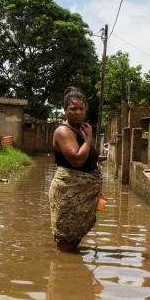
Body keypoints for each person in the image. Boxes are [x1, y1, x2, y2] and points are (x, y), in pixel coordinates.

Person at [48, 86, 101, 252]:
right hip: (68, 195)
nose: (78, 112)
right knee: (65, 245)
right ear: (65, 110)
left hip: (83, 195)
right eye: (73, 109)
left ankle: (72, 276)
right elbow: (77, 160)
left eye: (82, 108)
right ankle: (60, 273)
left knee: (73, 244)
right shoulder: (63, 131)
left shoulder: (81, 131)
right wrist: (90, 138)